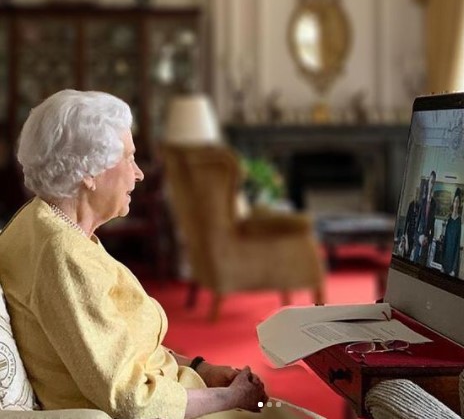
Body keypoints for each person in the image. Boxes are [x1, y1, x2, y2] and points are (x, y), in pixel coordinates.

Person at [0, 90, 287, 419]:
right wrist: (230, 397)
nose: (138, 173)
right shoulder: (63, 257)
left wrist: (201, 368)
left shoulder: (41, 222)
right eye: (128, 158)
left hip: (176, 388)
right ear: (89, 174)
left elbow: (124, 350)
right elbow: (132, 401)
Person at [415, 171, 437, 266]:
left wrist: (429, 239)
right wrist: (419, 237)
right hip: (419, 239)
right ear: (428, 182)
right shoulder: (423, 201)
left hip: (426, 243)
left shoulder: (434, 204)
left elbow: (432, 224)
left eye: (433, 182)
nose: (431, 184)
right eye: (431, 181)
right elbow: (417, 222)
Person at [441, 188, 462, 277]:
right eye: (455, 201)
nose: (456, 204)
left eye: (458, 202)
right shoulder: (448, 219)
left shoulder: (459, 221)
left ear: (459, 204)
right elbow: (444, 241)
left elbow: (457, 245)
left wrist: (454, 269)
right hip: (445, 257)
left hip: (453, 259)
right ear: (453, 203)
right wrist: (441, 264)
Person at [402, 186, 420, 260]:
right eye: (416, 193)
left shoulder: (419, 206)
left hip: (414, 233)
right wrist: (404, 233)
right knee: (405, 250)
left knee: (411, 252)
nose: (416, 195)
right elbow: (407, 219)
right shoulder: (411, 204)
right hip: (409, 231)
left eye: (418, 194)